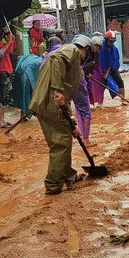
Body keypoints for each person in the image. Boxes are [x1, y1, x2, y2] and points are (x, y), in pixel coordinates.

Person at [29, 40, 87, 195]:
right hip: (50, 104)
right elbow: (57, 60)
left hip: (43, 104)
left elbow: (66, 100)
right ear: (85, 49)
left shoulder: (68, 64)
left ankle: (69, 176)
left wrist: (73, 125)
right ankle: (53, 184)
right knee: (61, 144)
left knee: (61, 141)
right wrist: (57, 90)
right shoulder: (72, 50)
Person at [0, 25, 16, 129]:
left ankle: (2, 120)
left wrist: (9, 37)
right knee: (0, 98)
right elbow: (8, 50)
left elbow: (11, 48)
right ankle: (0, 122)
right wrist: (9, 38)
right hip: (1, 72)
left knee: (3, 98)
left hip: (4, 72)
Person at [72, 35, 93, 142]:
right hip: (78, 85)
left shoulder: (65, 53)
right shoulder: (78, 55)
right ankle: (85, 139)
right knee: (84, 109)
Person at [13, 53, 44, 118]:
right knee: (28, 95)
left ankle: (23, 115)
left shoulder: (28, 58)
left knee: (24, 96)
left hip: (20, 74)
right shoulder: (40, 61)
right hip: (27, 75)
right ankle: (27, 115)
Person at [100, 30, 125, 100]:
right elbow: (100, 60)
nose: (112, 43)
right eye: (110, 41)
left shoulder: (114, 49)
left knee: (120, 81)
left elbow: (112, 62)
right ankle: (99, 102)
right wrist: (104, 73)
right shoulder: (101, 48)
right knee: (102, 85)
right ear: (106, 39)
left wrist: (107, 73)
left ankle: (123, 98)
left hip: (112, 68)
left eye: (113, 41)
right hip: (102, 69)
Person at [88, 35, 105, 107]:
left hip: (96, 71)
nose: (97, 48)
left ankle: (99, 102)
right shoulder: (87, 52)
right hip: (88, 72)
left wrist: (101, 73)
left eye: (98, 47)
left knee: (99, 87)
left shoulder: (97, 53)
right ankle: (91, 103)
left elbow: (98, 64)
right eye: (96, 46)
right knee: (91, 88)